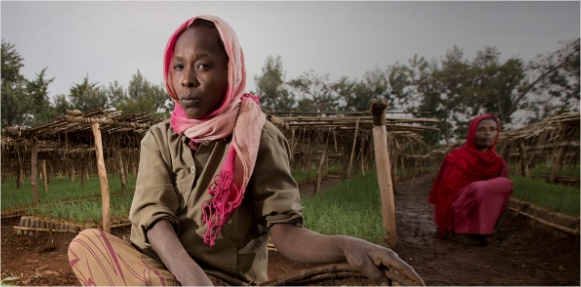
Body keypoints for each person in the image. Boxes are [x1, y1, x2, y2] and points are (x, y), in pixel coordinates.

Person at [67, 15, 424, 286]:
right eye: (179, 66)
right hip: (169, 274)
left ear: (230, 70)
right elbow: (155, 221)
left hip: (227, 280)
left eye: (203, 65)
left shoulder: (259, 137)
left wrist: (345, 245)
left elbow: (285, 233)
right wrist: (193, 281)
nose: (188, 78)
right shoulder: (160, 138)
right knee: (86, 244)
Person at [428, 114, 513, 246]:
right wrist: (476, 190)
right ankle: (457, 231)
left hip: (481, 205)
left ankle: (486, 232)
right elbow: (447, 192)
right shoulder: (458, 157)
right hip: (458, 206)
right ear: (473, 133)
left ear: (497, 133)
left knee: (504, 186)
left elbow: (500, 193)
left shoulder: (498, 162)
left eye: (492, 129)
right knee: (480, 189)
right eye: (481, 130)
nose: (487, 134)